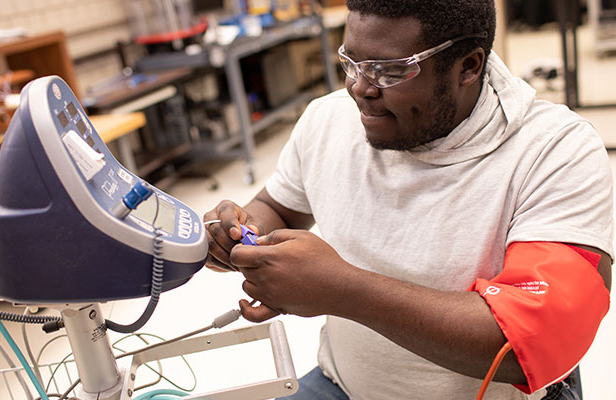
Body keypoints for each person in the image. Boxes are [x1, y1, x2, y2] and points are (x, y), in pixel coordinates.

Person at [203, 1, 614, 399]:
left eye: (387, 71)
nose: (359, 89)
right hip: (344, 385)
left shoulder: (555, 152)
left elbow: (526, 343)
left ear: (468, 66)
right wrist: (239, 231)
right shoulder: (326, 120)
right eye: (351, 62)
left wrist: (339, 289)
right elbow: (278, 207)